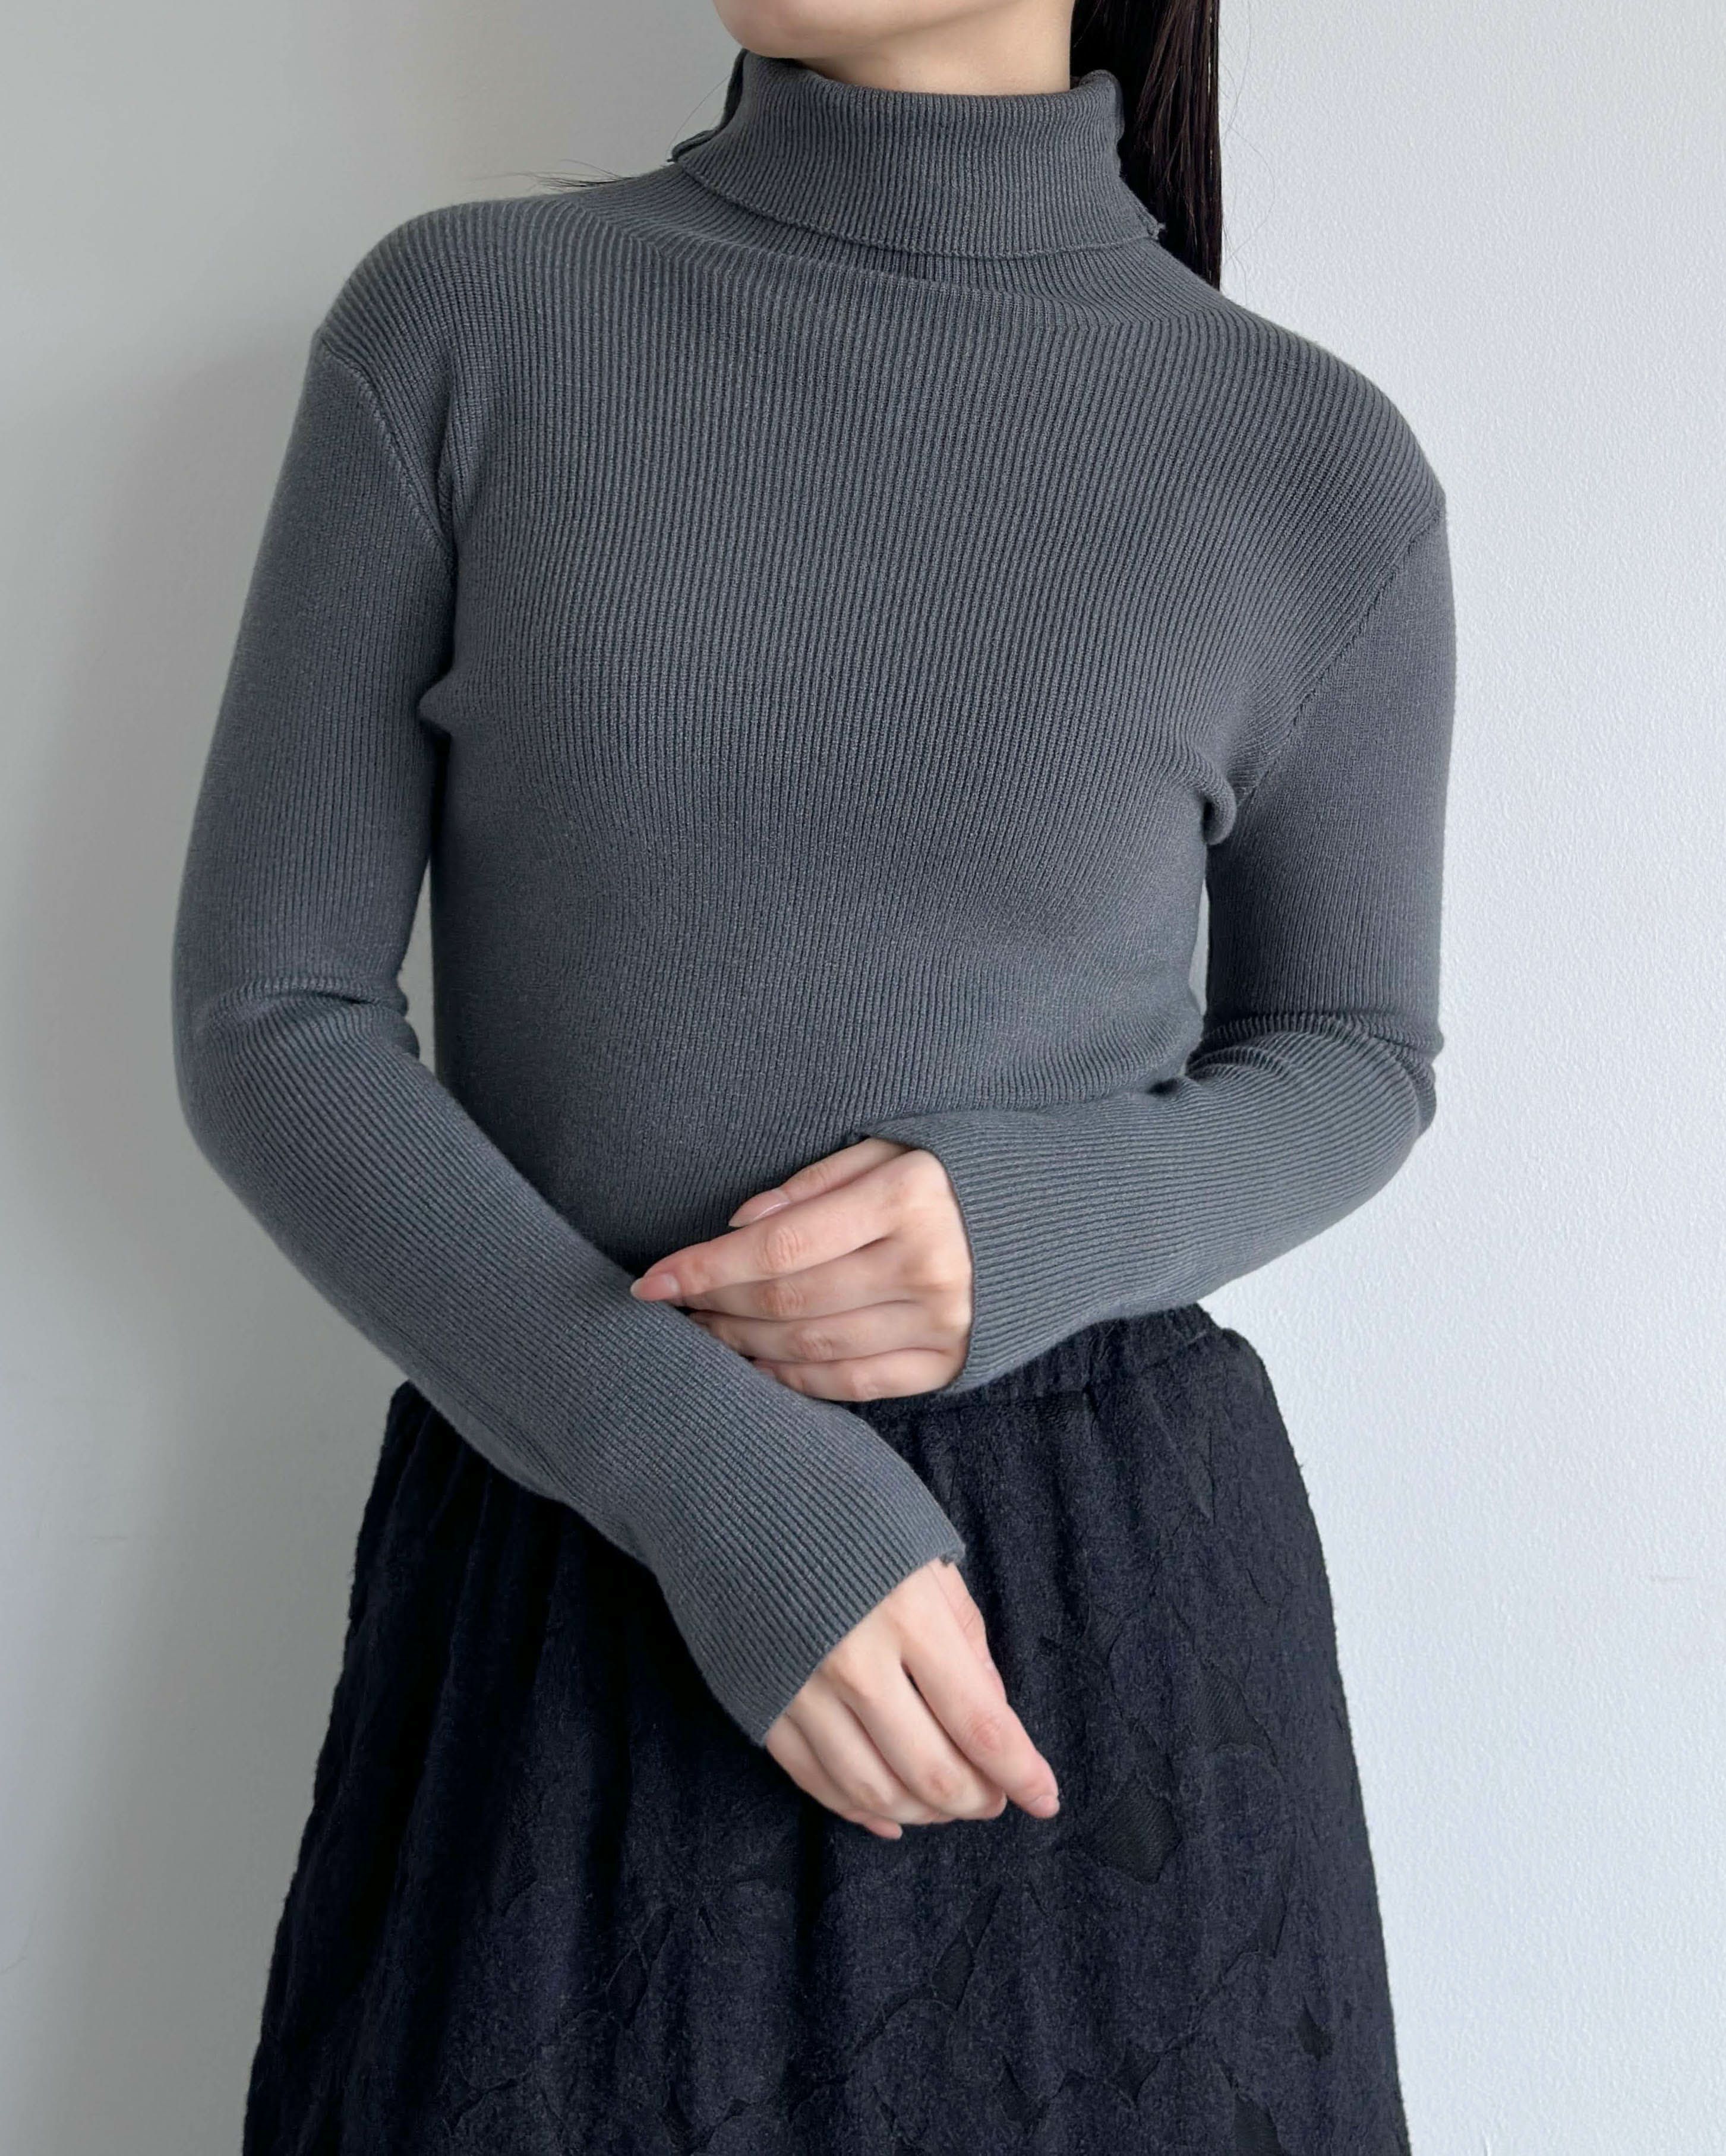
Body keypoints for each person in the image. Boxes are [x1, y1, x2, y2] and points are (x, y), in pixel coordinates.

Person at [171, 2, 1454, 2148]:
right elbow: (270, 1011)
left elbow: (1354, 1050)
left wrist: (1032, 1221)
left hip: (1085, 1657)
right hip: (583, 1538)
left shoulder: (1310, 463)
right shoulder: (469, 325)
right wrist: (709, 1478)